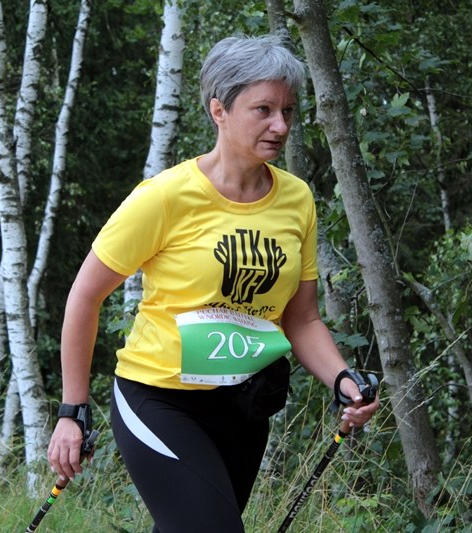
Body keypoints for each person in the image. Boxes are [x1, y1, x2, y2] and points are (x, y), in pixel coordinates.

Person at [47, 34, 380, 533]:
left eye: (288, 110)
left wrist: (343, 380)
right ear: (218, 110)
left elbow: (302, 317)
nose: (280, 125)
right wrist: (72, 410)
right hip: (159, 398)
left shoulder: (297, 200)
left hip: (245, 407)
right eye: (263, 109)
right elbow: (85, 296)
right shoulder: (165, 196)